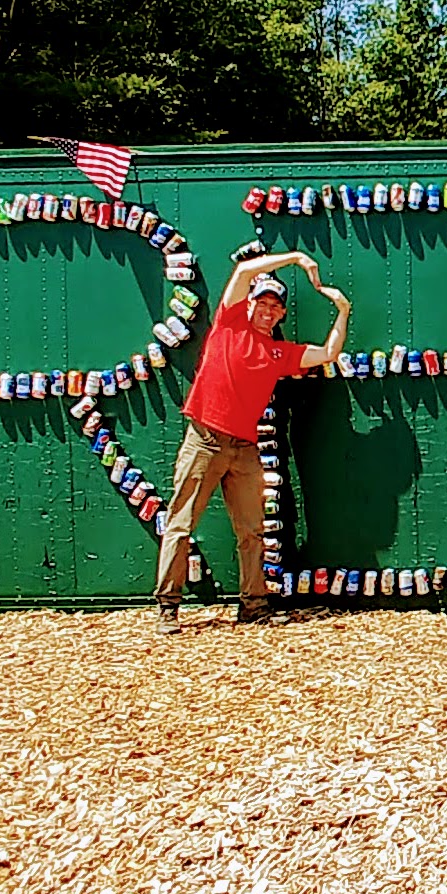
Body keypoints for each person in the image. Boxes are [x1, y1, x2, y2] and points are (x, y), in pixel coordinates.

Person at [155, 248, 351, 632]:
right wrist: (296, 257)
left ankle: (253, 603)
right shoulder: (227, 324)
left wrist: (343, 311)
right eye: (262, 301)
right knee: (181, 522)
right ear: (248, 305)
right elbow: (244, 269)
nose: (268, 309)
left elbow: (329, 352)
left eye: (275, 306)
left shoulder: (279, 352)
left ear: (281, 315)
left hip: (244, 449)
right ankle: (168, 606)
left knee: (252, 529)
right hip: (204, 439)